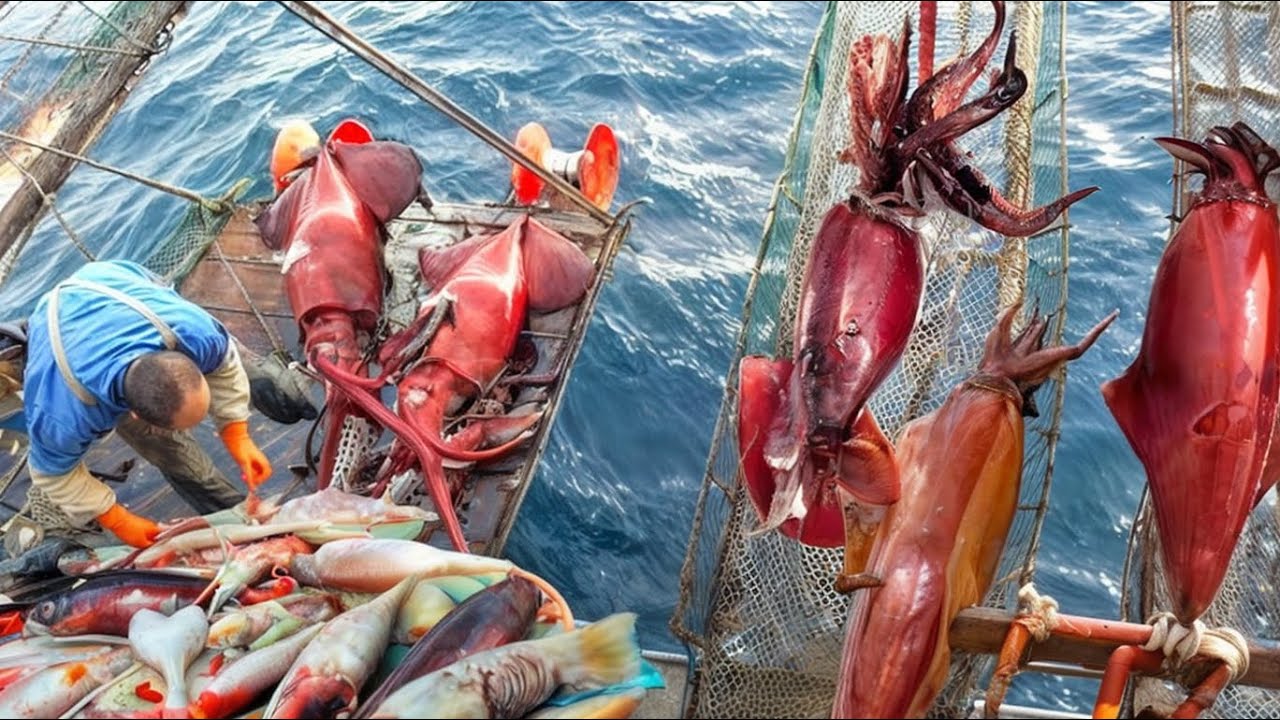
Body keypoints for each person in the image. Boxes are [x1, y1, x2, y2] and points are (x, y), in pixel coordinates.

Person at [18, 259, 275, 548]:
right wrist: (117, 519)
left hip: (106, 278)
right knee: (170, 450)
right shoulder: (61, 414)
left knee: (249, 374)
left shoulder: (193, 331)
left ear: (187, 360)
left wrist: (236, 433)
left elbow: (224, 364)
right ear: (135, 415)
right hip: (54, 328)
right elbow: (51, 475)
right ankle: (228, 513)